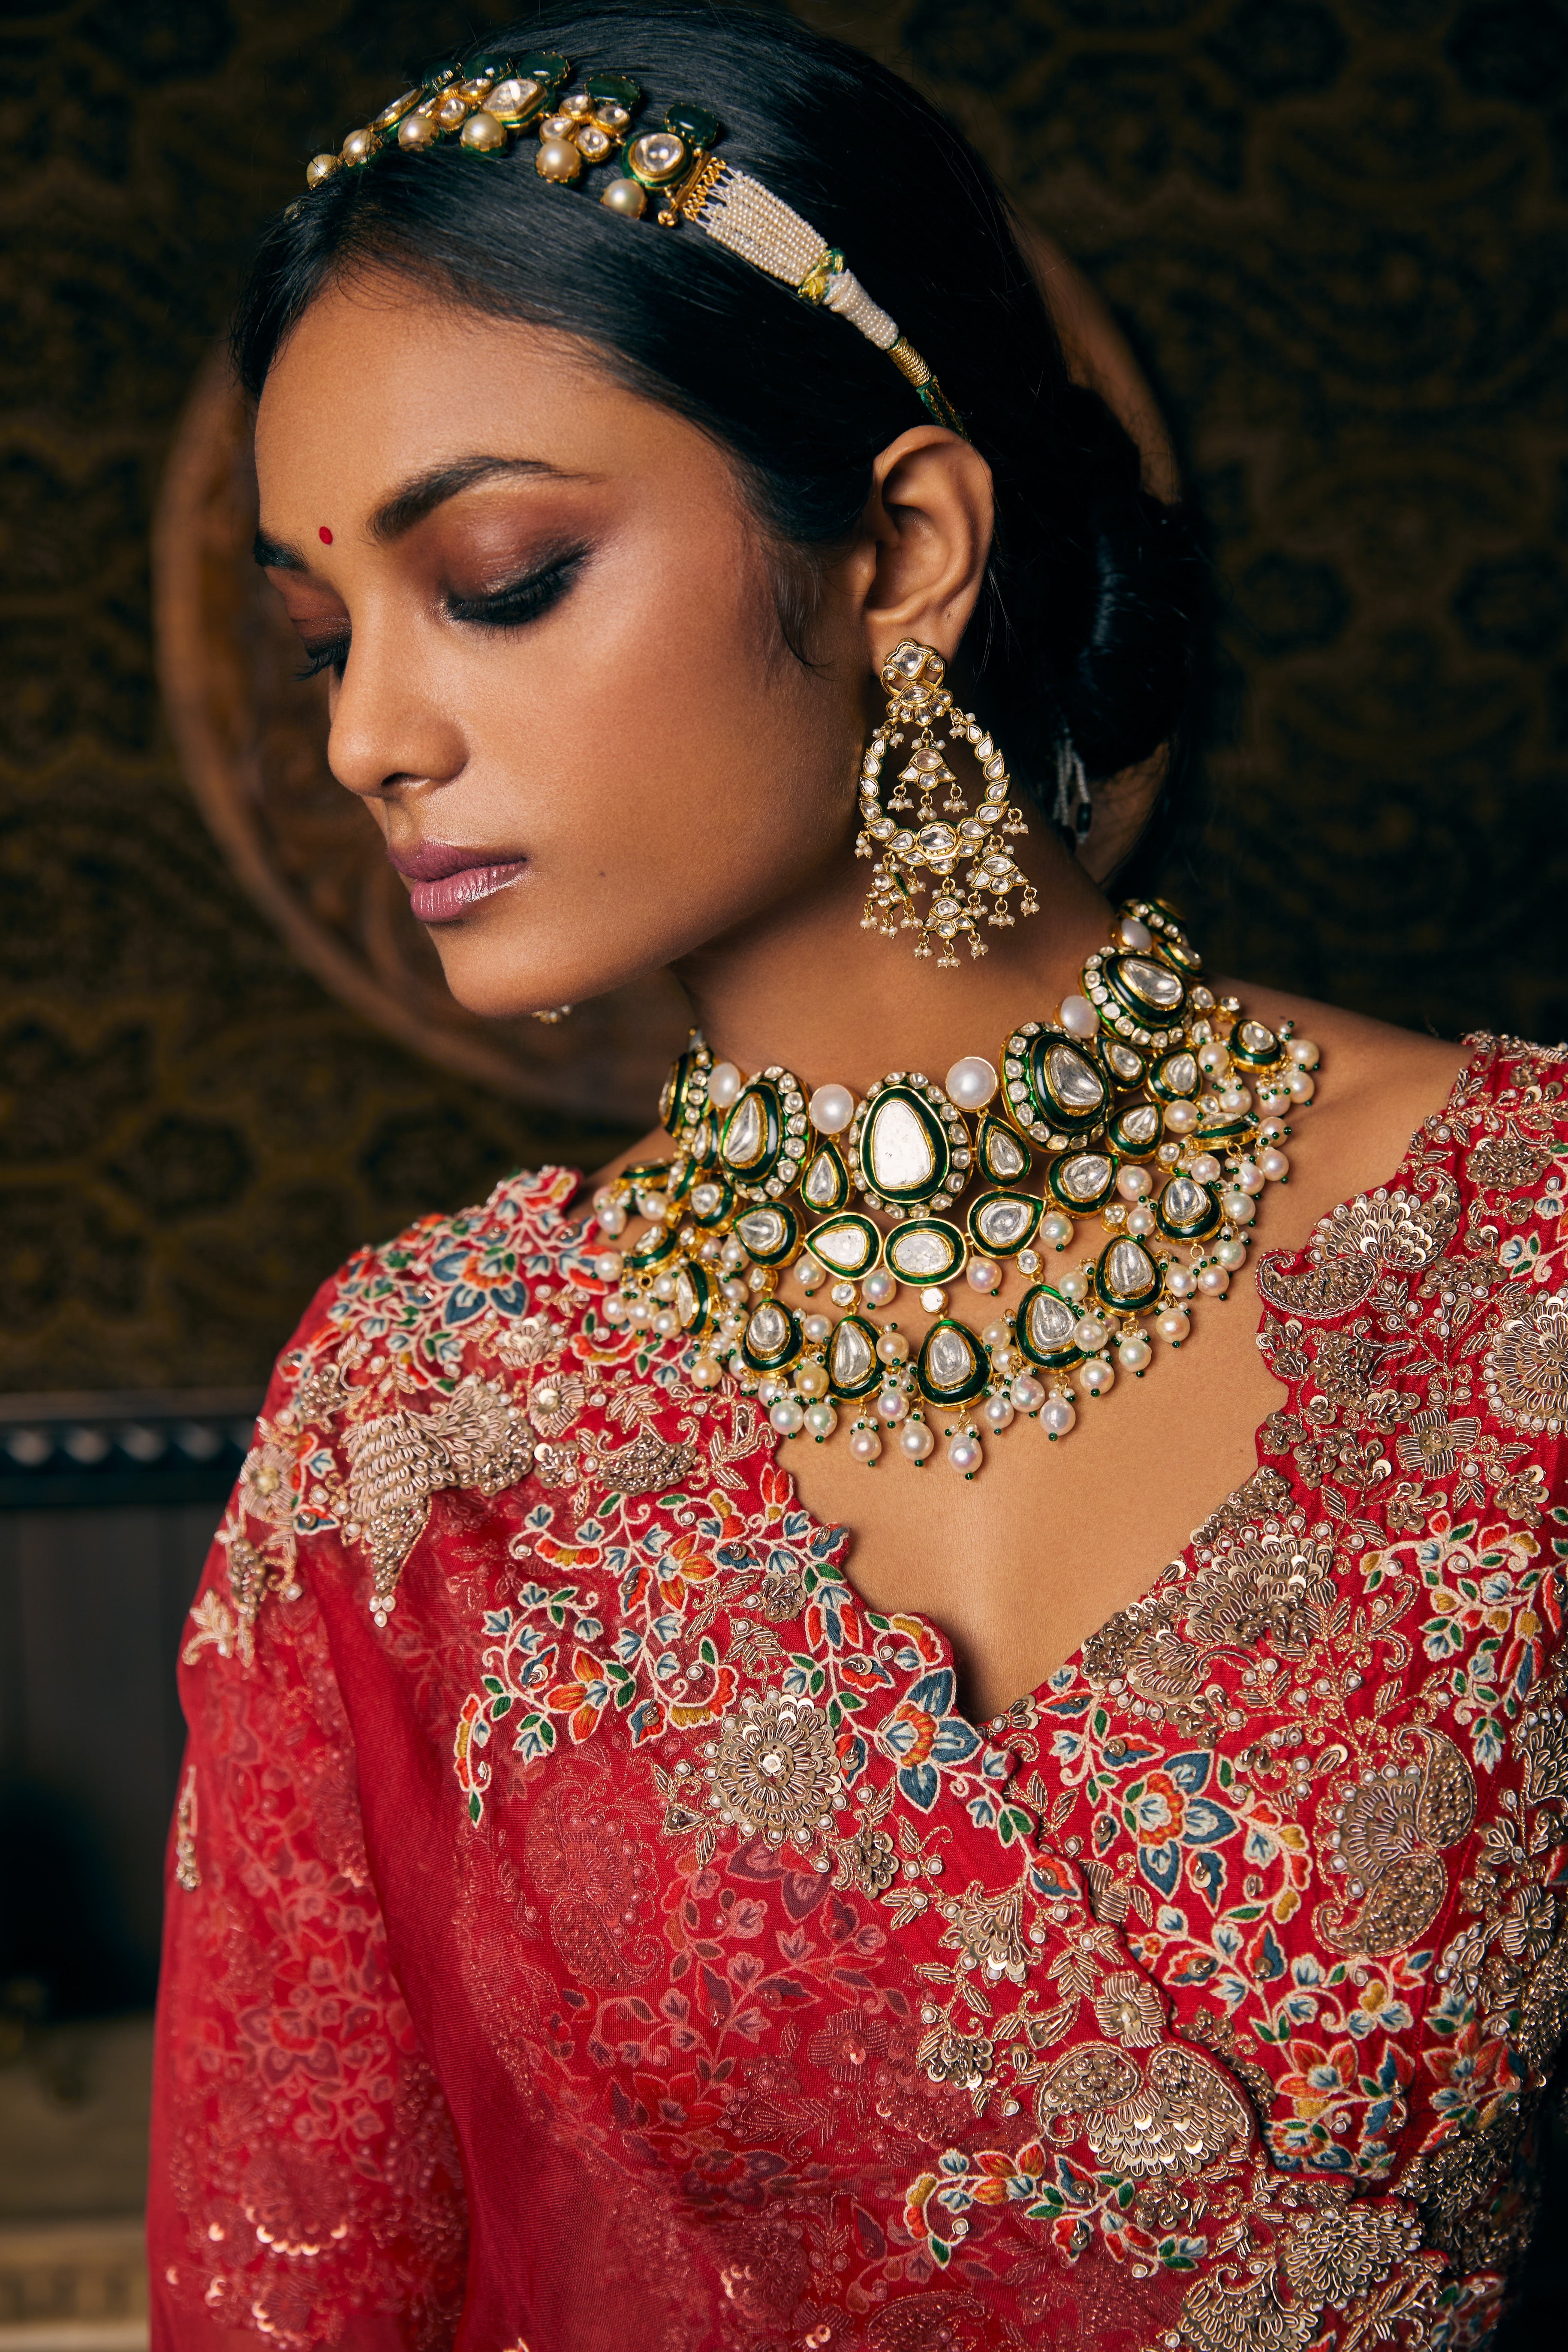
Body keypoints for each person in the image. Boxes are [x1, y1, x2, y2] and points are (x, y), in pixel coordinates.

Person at [147, 8, 1568, 2347]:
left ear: (903, 544)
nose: (371, 735)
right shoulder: (424, 1435)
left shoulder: (1530, 1261)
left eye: (495, 577)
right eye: (325, 639)